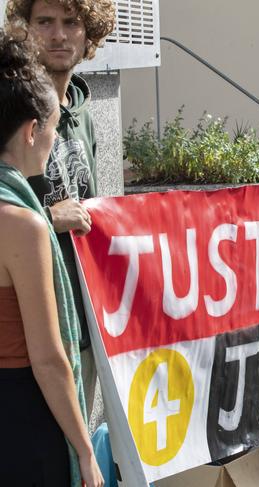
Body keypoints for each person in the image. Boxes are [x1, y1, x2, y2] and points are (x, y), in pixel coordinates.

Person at [0, 30, 102, 486]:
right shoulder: (23, 224)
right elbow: (48, 359)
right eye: (55, 124)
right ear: (30, 130)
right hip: (22, 413)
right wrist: (84, 452)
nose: (57, 135)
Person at [5, 0, 116, 414]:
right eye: (45, 22)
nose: (58, 35)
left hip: (83, 317)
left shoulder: (82, 113)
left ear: (89, 34)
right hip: (25, 333)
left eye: (71, 23)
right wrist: (50, 218)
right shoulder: (8, 109)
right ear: (25, 28)